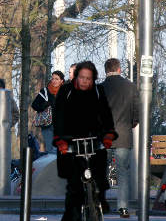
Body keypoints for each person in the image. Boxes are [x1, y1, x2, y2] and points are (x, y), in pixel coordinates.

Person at [53, 61, 117, 220]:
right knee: (74, 185)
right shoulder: (66, 91)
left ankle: (100, 198)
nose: (85, 81)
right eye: (82, 77)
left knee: (100, 173)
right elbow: (58, 116)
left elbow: (106, 114)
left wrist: (108, 134)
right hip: (71, 139)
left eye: (88, 78)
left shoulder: (97, 91)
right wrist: (60, 139)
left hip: (94, 138)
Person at [100, 58, 139, 219]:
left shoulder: (99, 89)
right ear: (119, 69)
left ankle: (100, 204)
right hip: (123, 134)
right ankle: (123, 207)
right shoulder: (130, 87)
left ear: (105, 70)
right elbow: (137, 111)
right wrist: (131, 124)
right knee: (123, 172)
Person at [31, 70, 64, 154]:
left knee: (61, 149)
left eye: (56, 79)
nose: (54, 81)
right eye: (52, 78)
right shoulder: (45, 91)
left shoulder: (65, 92)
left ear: (61, 81)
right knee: (50, 149)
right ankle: (52, 167)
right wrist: (44, 105)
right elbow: (34, 105)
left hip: (62, 127)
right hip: (47, 125)